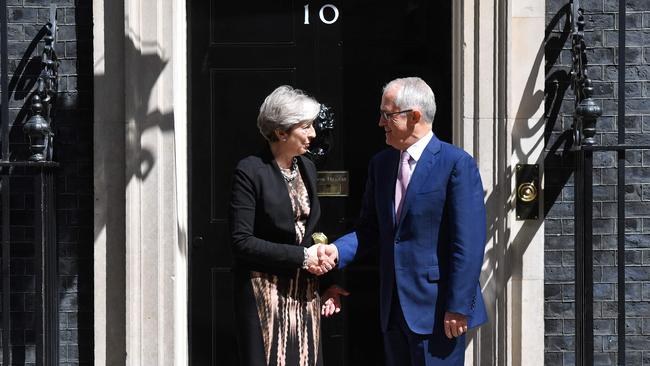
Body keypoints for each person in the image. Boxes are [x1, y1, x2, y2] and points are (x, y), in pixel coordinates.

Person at [325, 77, 488, 365]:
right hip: (394, 309)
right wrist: (336, 251)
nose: (380, 122)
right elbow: (370, 229)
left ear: (414, 116)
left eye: (387, 115)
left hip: (440, 311)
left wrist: (459, 307)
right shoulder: (381, 164)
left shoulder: (456, 164)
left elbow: (469, 243)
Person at [229, 85, 337, 366]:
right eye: (306, 126)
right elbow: (241, 241)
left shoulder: (307, 168)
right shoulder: (250, 170)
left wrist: (323, 257)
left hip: (305, 294)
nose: (313, 134)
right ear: (281, 132)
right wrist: (301, 257)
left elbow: (312, 229)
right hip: (265, 292)